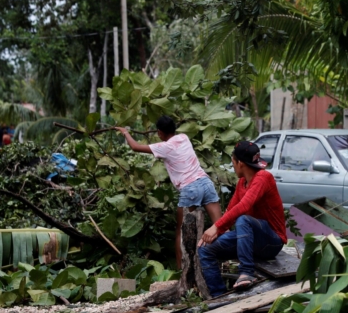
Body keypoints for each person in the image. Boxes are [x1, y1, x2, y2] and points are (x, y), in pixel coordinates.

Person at [115, 115, 223, 269]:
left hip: (190, 188)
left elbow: (135, 147)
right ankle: (230, 264)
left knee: (180, 232)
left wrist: (125, 132)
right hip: (206, 183)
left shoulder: (164, 148)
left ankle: (180, 272)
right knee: (220, 226)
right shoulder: (184, 137)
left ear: (159, 132)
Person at [198, 141, 287, 297]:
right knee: (205, 249)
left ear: (239, 163)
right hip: (252, 239)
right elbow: (231, 210)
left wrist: (216, 227)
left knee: (243, 219)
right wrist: (217, 232)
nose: (233, 166)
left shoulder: (263, 177)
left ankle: (246, 272)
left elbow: (244, 206)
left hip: (272, 241)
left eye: (233, 162)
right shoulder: (242, 183)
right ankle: (218, 296)